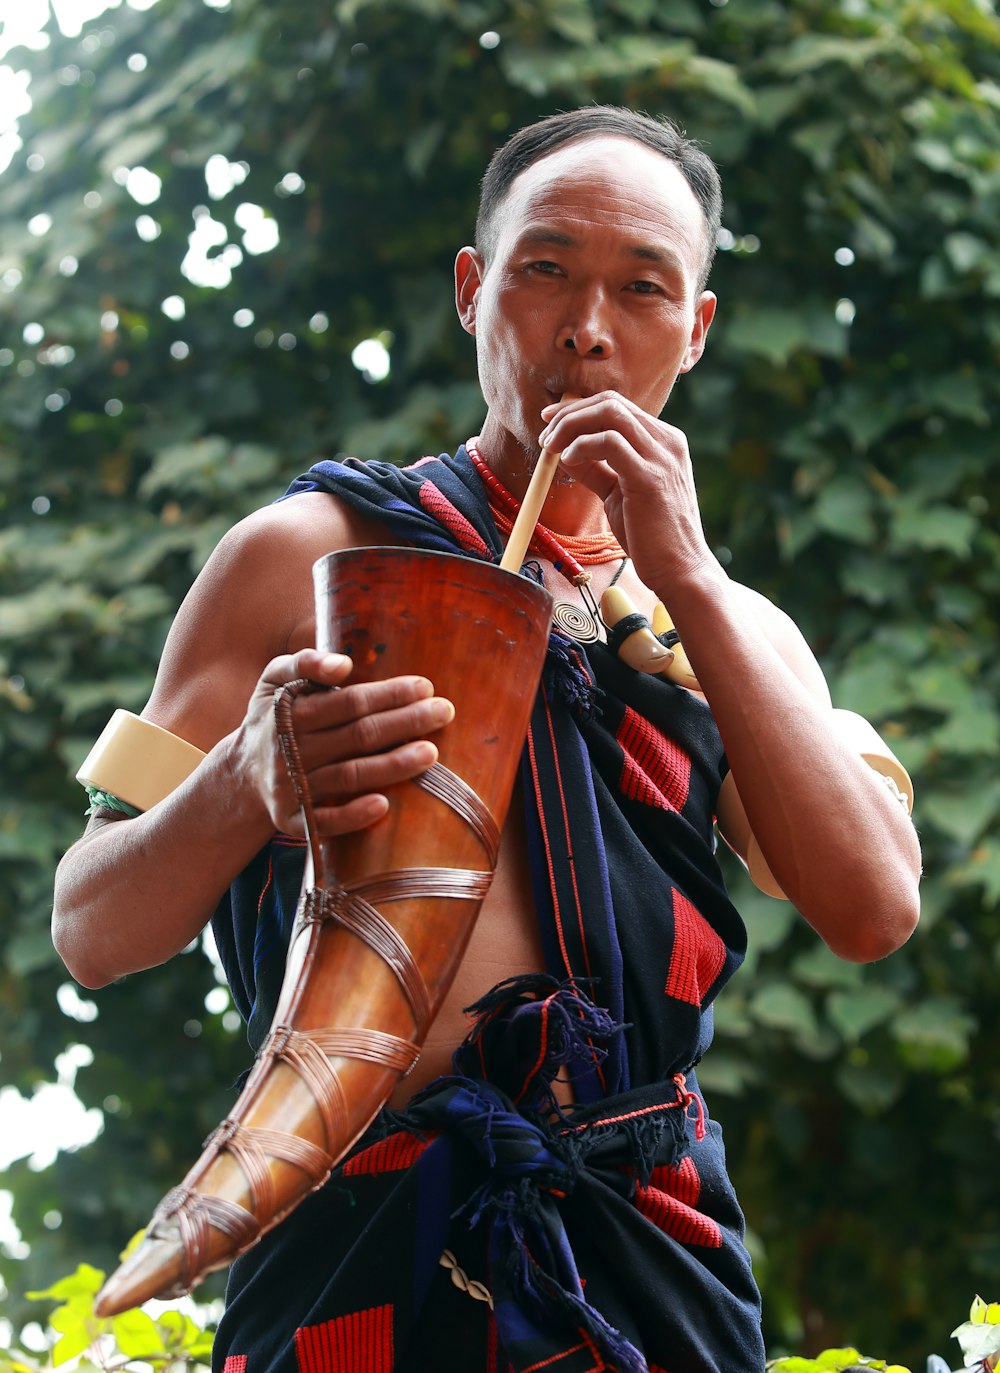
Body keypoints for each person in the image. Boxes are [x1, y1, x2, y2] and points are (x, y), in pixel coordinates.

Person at [53, 106, 921, 1373]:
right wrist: (248, 775)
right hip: (353, 1227)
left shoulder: (734, 633)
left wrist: (685, 570)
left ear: (697, 327)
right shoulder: (311, 553)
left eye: (642, 289)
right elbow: (91, 925)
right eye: (545, 269)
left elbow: (872, 907)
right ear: (473, 290)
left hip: (647, 1246)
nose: (586, 329)